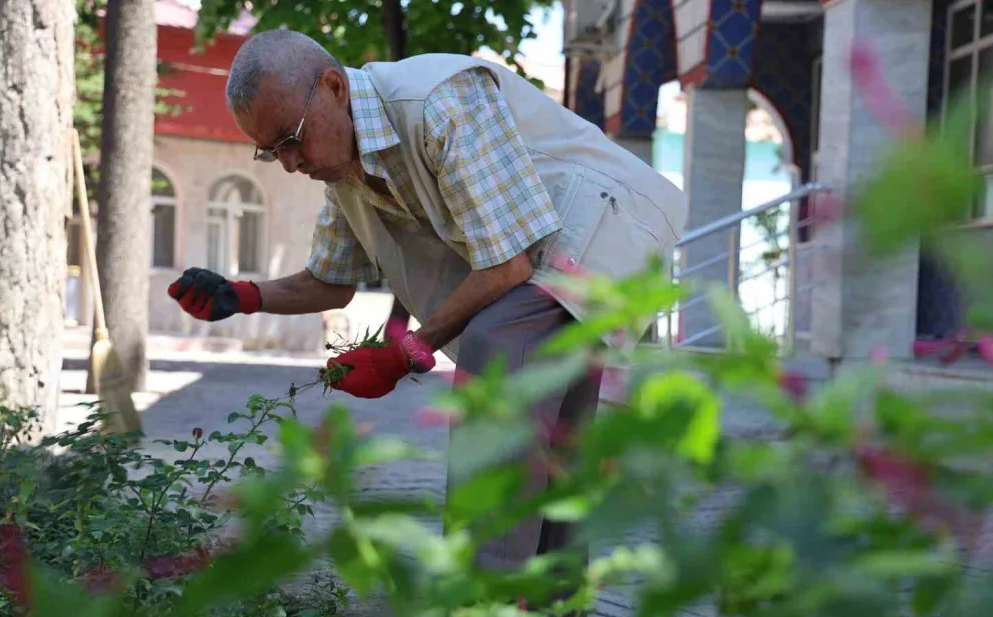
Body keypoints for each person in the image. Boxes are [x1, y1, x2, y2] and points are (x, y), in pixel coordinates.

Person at [167, 28, 685, 583]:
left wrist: (406, 351)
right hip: (549, 254)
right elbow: (330, 282)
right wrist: (242, 295)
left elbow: (508, 263)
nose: (291, 163)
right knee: (556, 458)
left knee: (498, 346)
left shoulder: (440, 101)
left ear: (334, 87)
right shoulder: (344, 169)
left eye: (290, 139)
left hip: (606, 222)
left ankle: (479, 613)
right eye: (271, 152)